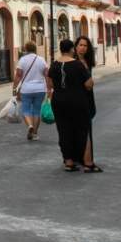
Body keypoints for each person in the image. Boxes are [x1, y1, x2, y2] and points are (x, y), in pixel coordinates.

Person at [48, 38, 98, 172]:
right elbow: (89, 84)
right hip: (77, 101)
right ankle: (88, 163)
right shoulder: (78, 65)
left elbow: (50, 84)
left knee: (64, 131)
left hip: (58, 102)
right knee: (83, 130)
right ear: (72, 49)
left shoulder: (54, 65)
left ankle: (69, 162)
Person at [14, 41, 49, 140]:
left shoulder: (22, 60)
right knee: (36, 111)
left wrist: (14, 88)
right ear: (35, 49)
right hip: (40, 89)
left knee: (26, 110)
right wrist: (49, 88)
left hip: (26, 89)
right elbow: (47, 74)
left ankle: (30, 125)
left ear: (26, 49)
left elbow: (18, 75)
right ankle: (34, 134)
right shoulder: (41, 60)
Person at [73, 34, 99, 164]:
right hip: (76, 98)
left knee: (87, 127)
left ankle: (86, 157)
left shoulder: (88, 62)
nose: (83, 48)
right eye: (80, 45)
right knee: (76, 128)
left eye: (85, 46)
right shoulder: (72, 61)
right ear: (76, 47)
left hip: (88, 97)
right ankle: (77, 157)